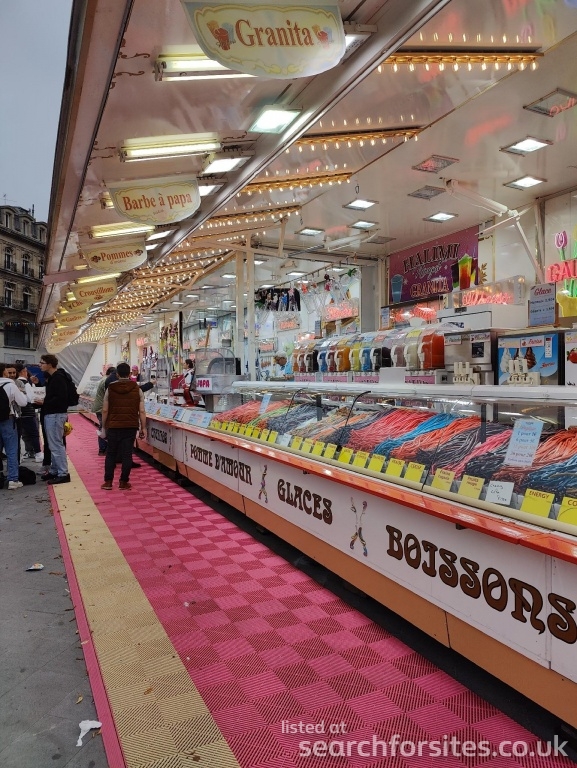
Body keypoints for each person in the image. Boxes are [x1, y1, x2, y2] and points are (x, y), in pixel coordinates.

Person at [101, 362, 146, 491]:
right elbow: (142, 411)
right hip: (130, 425)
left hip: (113, 425)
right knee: (127, 454)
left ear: (117, 374)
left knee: (111, 453)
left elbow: (105, 410)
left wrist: (103, 426)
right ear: (130, 374)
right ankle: (123, 482)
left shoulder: (110, 388)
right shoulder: (137, 389)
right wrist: (143, 427)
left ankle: (108, 482)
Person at [36, 354, 71, 485]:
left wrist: (44, 402)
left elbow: (60, 398)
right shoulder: (54, 377)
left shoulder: (58, 378)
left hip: (55, 414)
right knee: (53, 444)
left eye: (42, 363)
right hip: (53, 414)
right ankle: (55, 470)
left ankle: (63, 473)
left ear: (50, 364)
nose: (40, 365)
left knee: (56, 444)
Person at [0, 363, 28, 489]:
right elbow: (23, 402)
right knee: (11, 450)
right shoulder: (10, 385)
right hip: (8, 419)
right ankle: (13, 479)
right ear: (4, 372)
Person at [14, 363, 43, 462]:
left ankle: (21, 454)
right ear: (23, 372)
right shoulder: (26, 383)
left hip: (17, 413)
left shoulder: (14, 383)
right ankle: (38, 453)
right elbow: (30, 398)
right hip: (29, 412)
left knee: (20, 435)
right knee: (34, 434)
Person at [92, 366, 115, 455]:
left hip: (99, 407)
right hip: (102, 408)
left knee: (103, 427)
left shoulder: (104, 379)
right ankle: (103, 449)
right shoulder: (106, 381)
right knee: (103, 427)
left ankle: (103, 448)